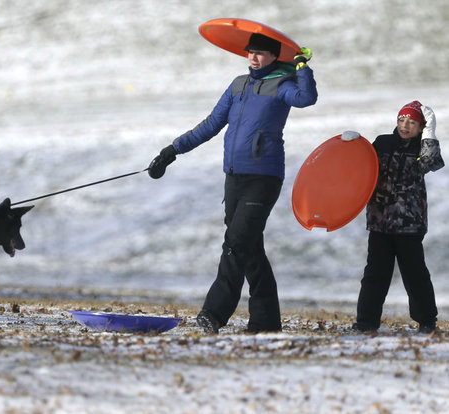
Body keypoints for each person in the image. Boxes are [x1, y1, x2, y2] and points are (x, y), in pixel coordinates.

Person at [148, 33, 318, 333]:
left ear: (274, 57)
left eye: (261, 53)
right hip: (234, 177)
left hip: (264, 177)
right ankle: (266, 322)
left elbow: (306, 99)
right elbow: (212, 123)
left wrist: (302, 67)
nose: (254, 58)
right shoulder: (238, 84)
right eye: (251, 52)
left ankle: (213, 313)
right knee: (250, 249)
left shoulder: (283, 83)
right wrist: (172, 150)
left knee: (236, 245)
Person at [352, 101, 444, 334]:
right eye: (402, 120)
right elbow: (360, 166)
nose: (405, 125)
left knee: (416, 276)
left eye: (412, 123)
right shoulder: (382, 142)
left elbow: (431, 162)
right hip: (380, 221)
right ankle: (366, 322)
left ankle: (427, 322)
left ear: (421, 127)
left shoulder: (421, 148)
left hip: (409, 225)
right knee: (374, 275)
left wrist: (430, 134)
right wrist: (351, 145)